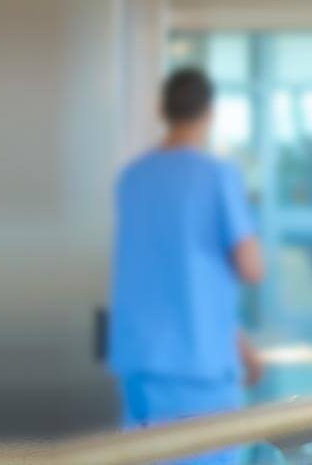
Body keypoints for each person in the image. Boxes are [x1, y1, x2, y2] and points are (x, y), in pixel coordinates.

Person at [108, 67, 264, 461]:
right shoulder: (218, 176)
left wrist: (240, 345)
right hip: (200, 372)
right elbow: (250, 268)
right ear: (210, 113)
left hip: (140, 365)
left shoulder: (133, 179)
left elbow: (167, 277)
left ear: (163, 108)